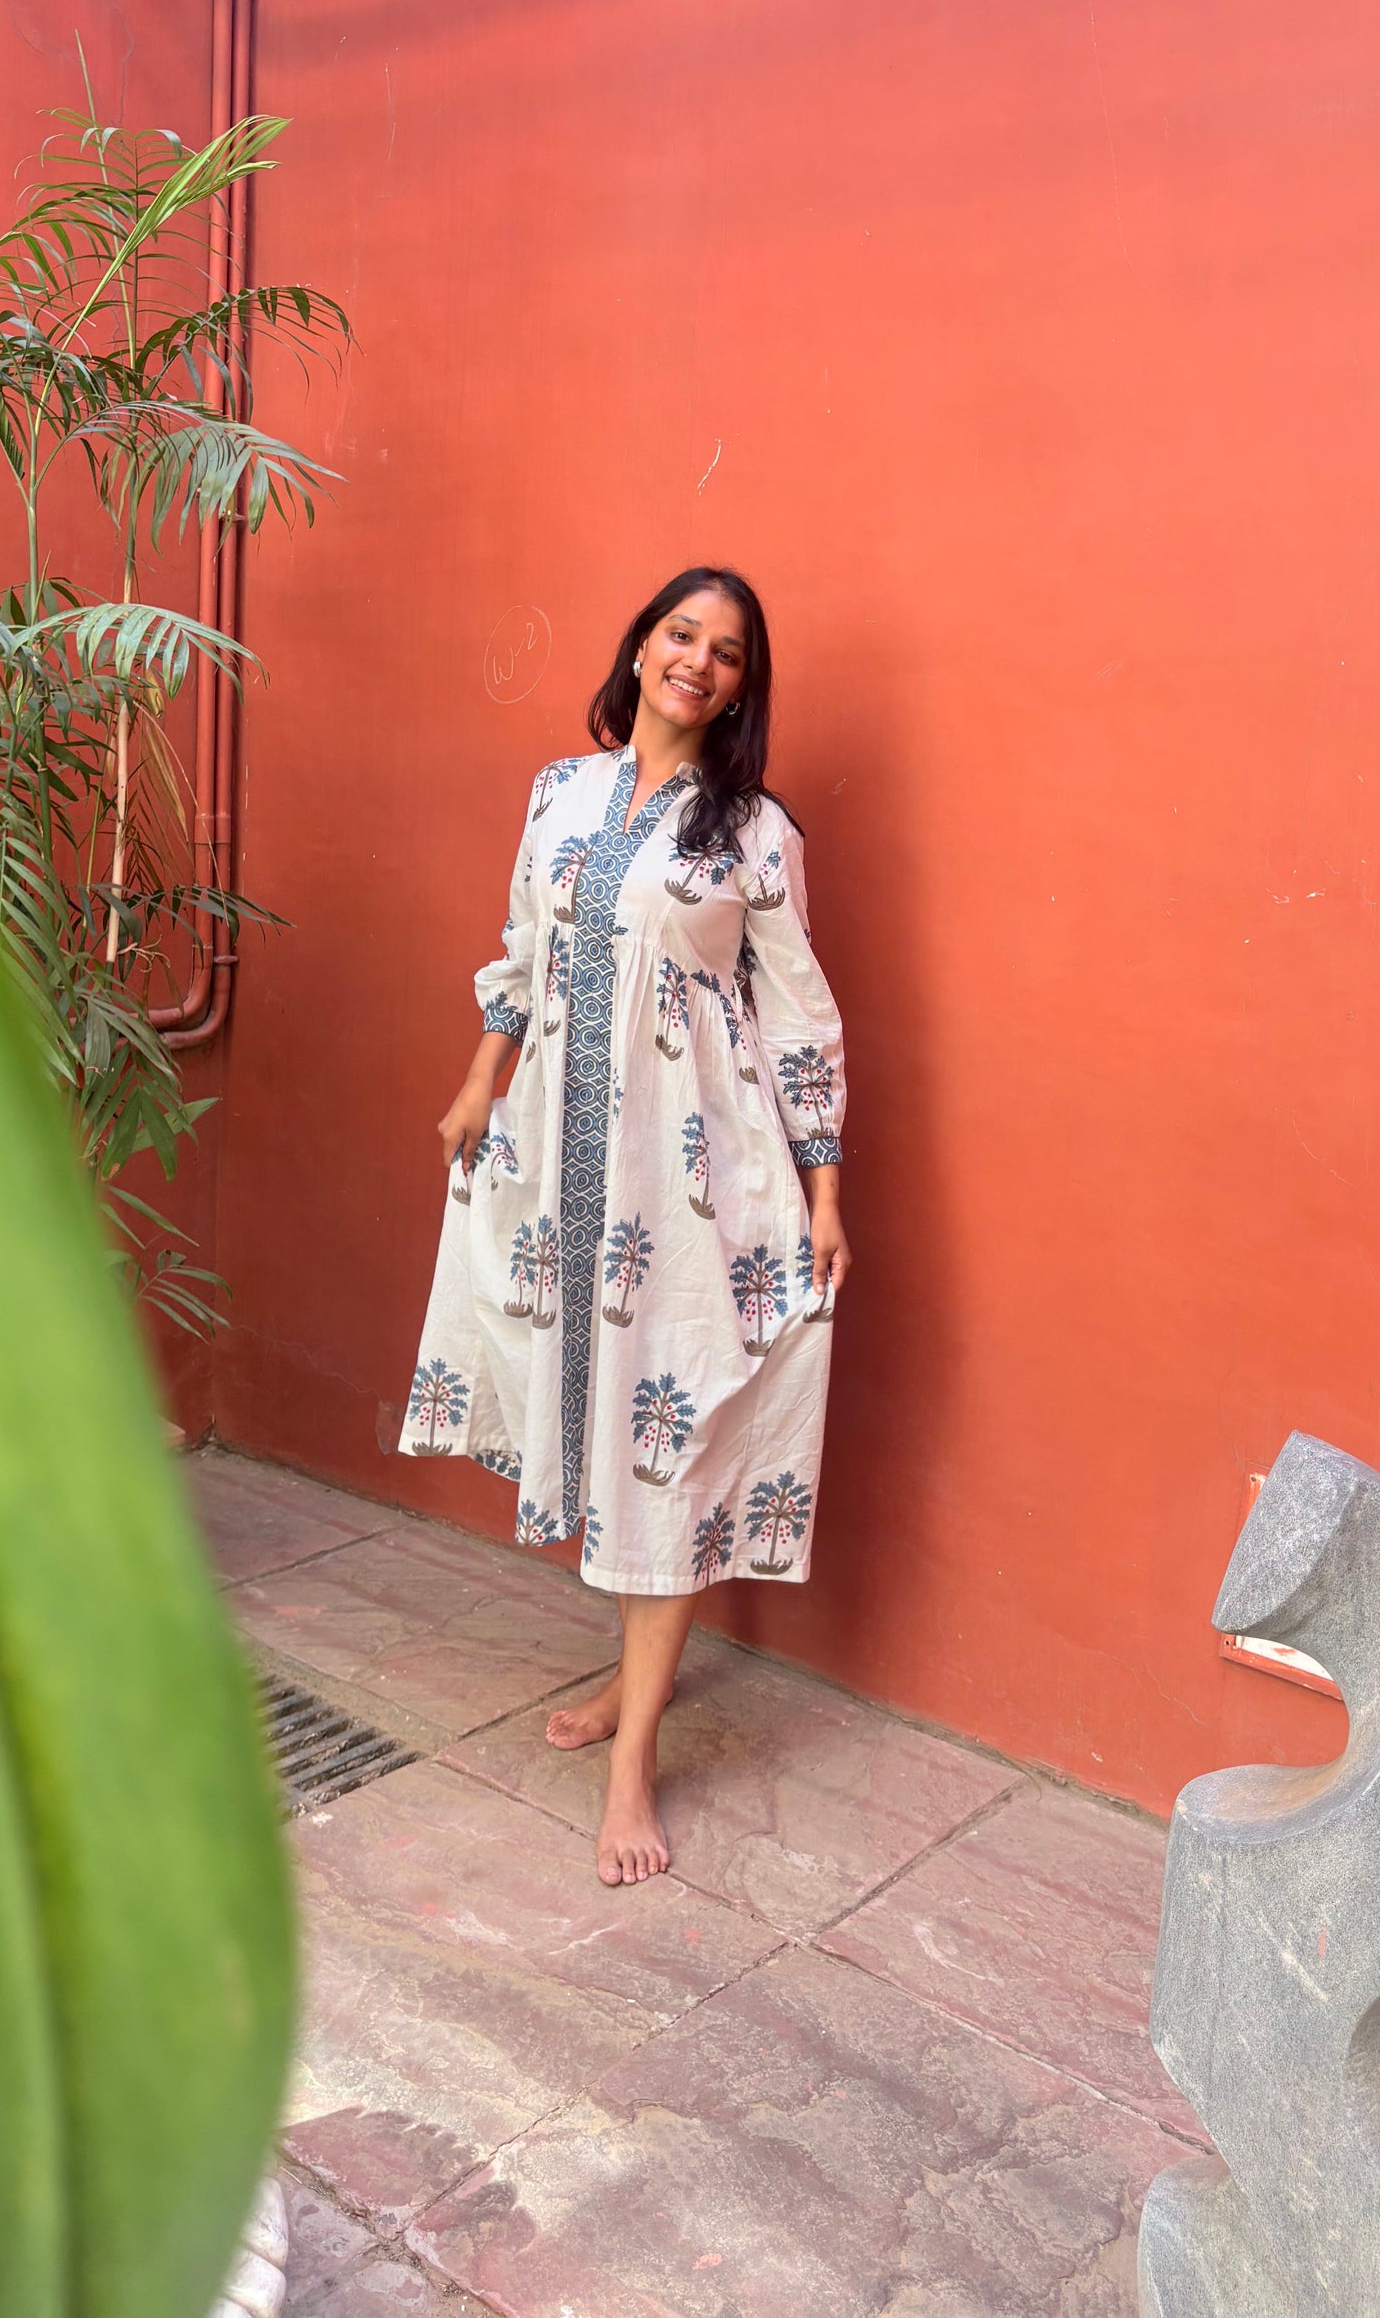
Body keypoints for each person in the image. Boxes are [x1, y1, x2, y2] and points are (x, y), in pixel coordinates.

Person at [402, 566, 849, 1887]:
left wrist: (823, 1190)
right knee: (598, 1429)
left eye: (725, 652)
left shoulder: (755, 833)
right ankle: (624, 1682)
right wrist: (479, 1079)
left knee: (669, 1440)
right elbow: (520, 960)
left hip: (693, 1180)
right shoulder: (559, 794)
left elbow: (801, 1013)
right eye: (680, 635)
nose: (697, 662)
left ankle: (630, 1758)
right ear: (642, 646)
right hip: (556, 1162)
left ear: (741, 686)